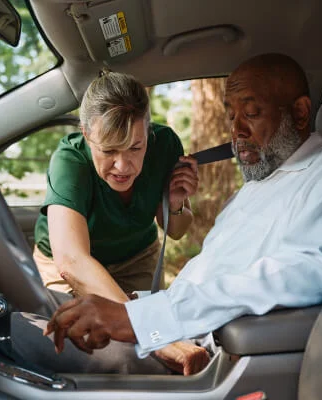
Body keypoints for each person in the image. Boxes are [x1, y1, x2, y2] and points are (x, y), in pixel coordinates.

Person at [0, 53, 322, 376]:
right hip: (161, 318)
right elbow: (73, 259)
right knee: (2, 306)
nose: (236, 131)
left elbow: (308, 270)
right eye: (231, 115)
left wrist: (143, 320)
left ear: (299, 112)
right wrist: (143, 311)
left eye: (251, 113)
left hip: (189, 340)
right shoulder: (260, 186)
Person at [32, 71, 198, 297]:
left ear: (148, 133)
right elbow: (71, 261)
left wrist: (176, 204)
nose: (122, 166)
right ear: (86, 135)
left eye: (135, 148)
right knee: (79, 330)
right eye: (109, 150)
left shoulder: (165, 145)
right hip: (69, 265)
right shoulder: (69, 162)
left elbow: (177, 232)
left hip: (136, 259)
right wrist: (130, 317)